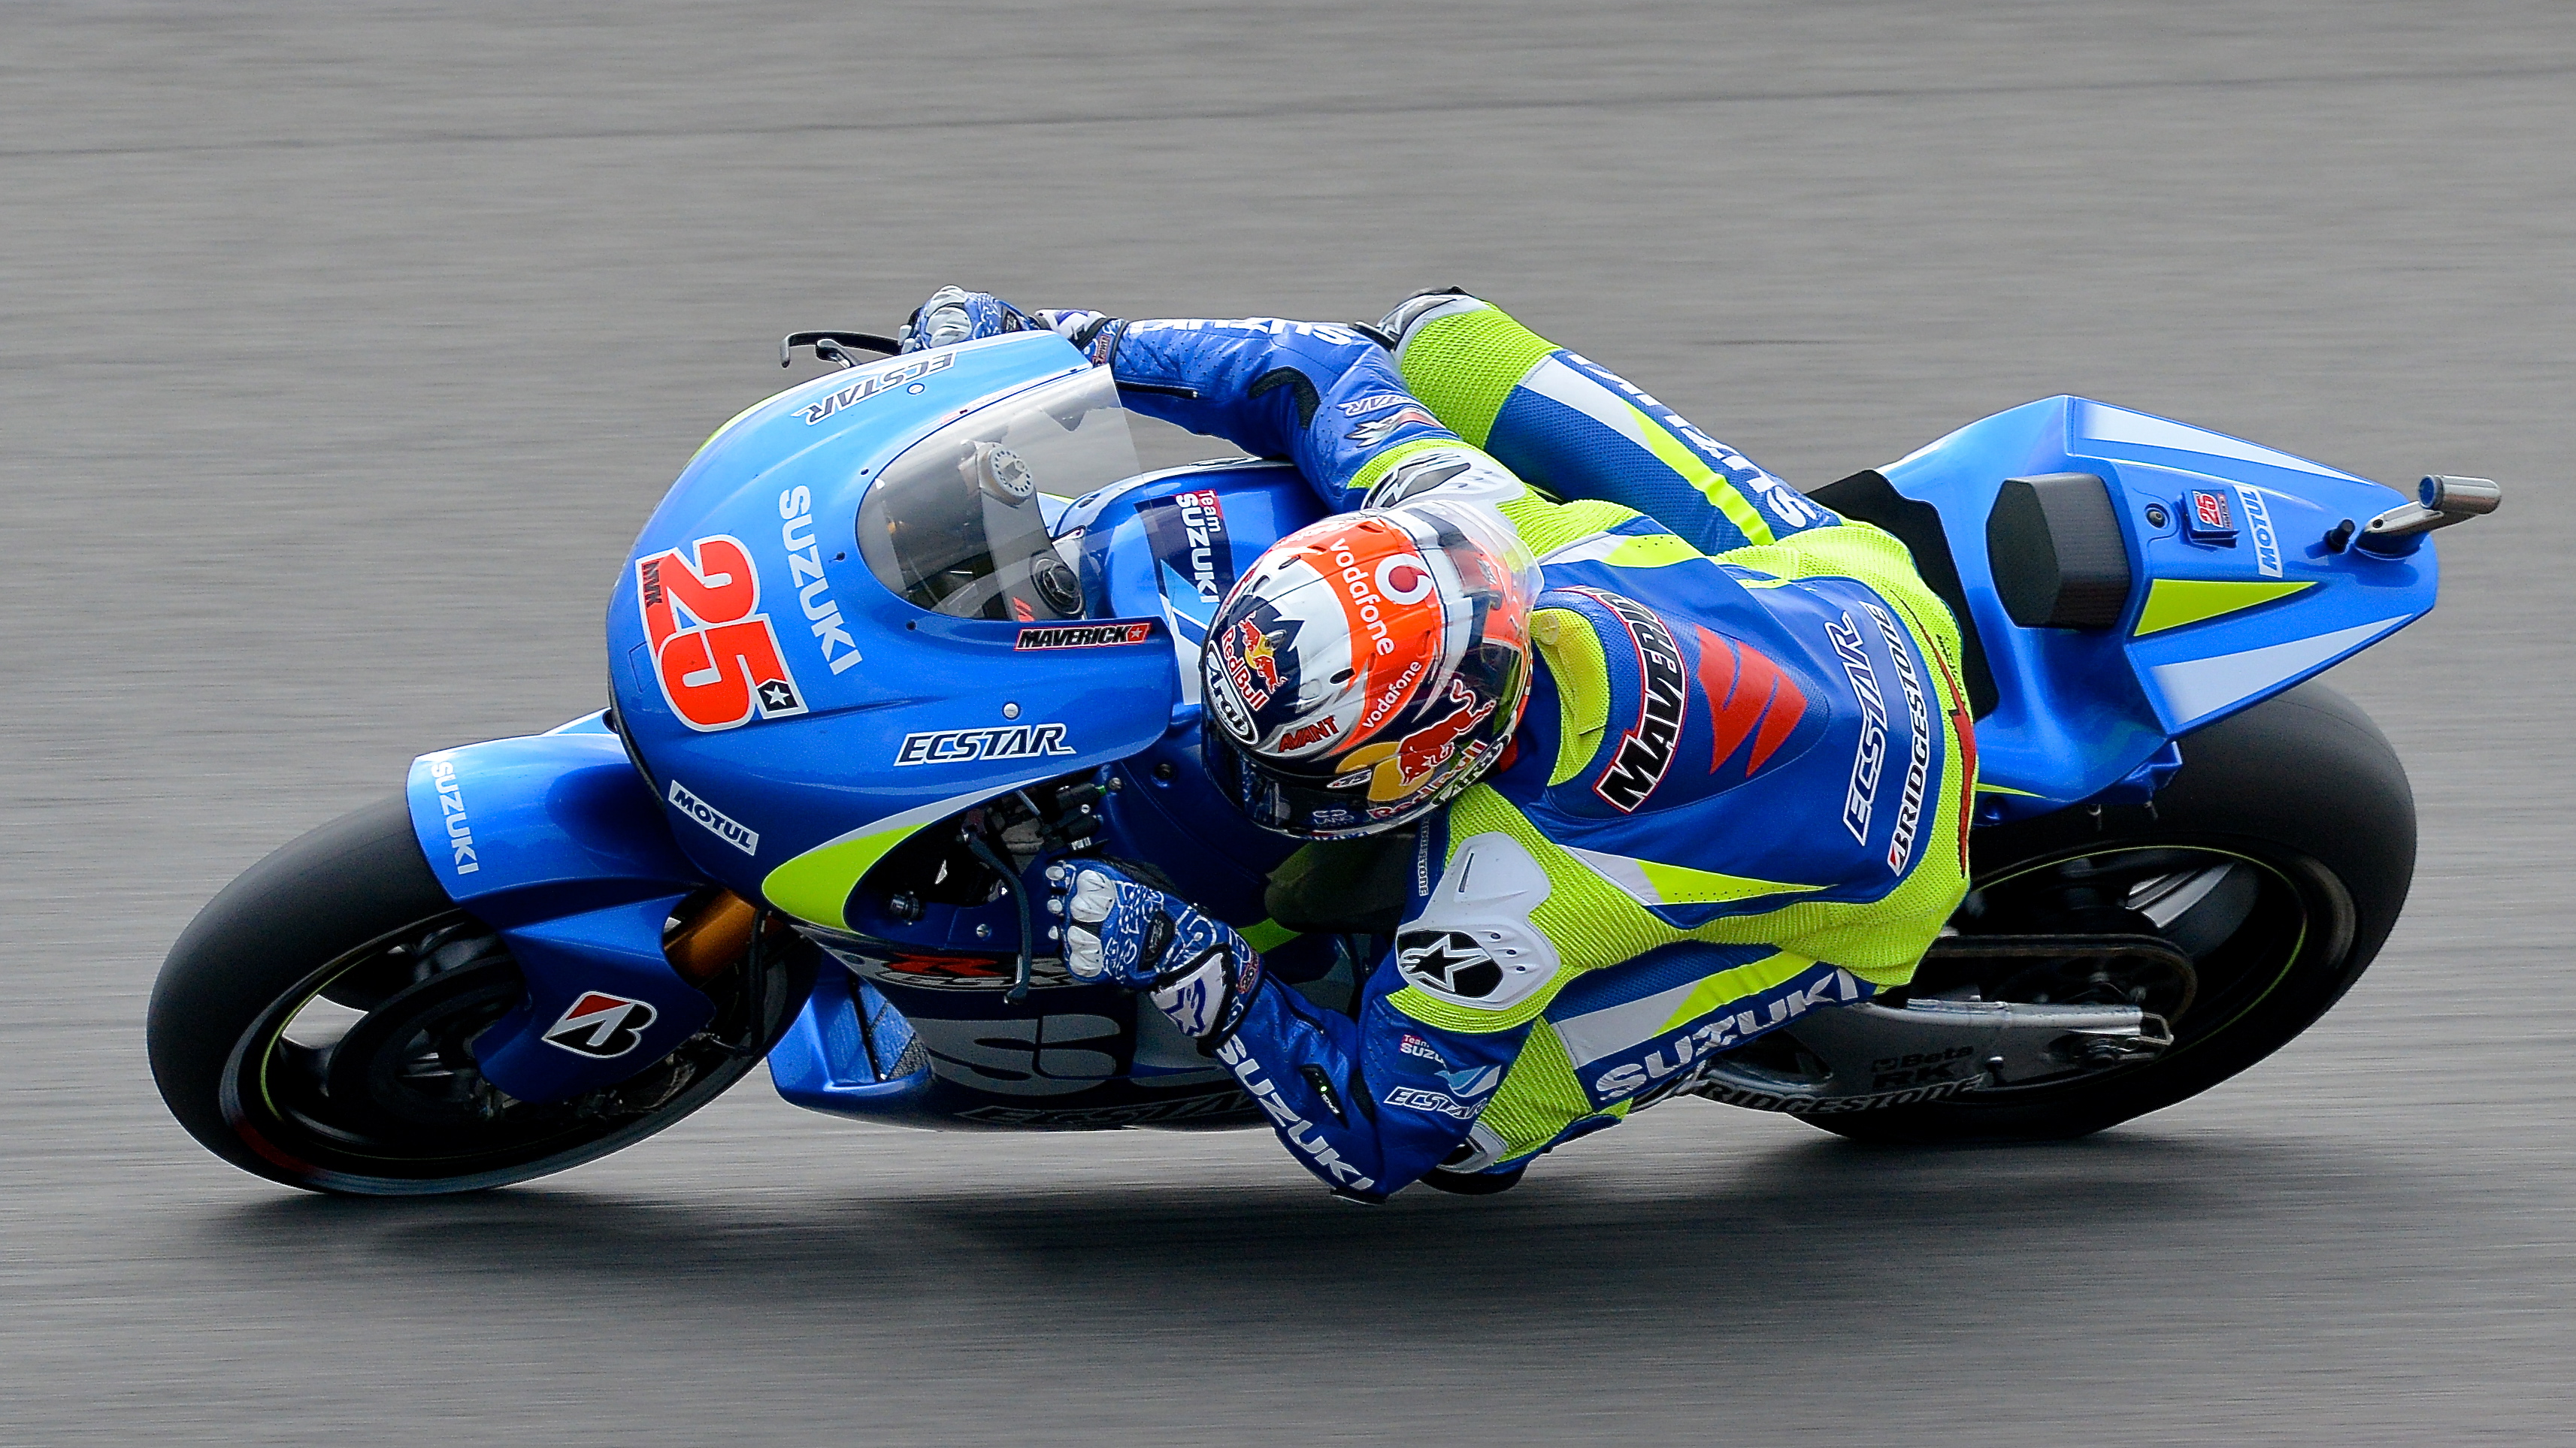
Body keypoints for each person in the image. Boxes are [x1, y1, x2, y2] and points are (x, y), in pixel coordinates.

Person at [900, 286, 1978, 1200]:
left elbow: (1376, 1143)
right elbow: (1312, 370)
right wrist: (1060, 346)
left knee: (1473, 1139)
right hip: (1861, 595)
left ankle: (1807, 965)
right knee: (1435, 334)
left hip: (1898, 862)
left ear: (1435, 760)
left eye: (1305, 772)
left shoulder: (1506, 897)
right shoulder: (1472, 516)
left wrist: (1197, 967)